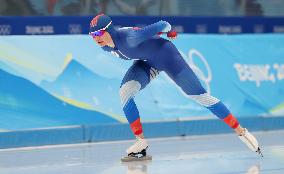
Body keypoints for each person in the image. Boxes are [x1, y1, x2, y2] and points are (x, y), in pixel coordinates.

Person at [89, 14, 262, 162]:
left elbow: (162, 24)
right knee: (125, 93)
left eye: (98, 33)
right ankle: (140, 143)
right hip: (147, 63)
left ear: (109, 30)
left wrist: (168, 31)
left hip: (167, 56)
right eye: (92, 35)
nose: (96, 38)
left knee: (200, 96)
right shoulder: (105, 47)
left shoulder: (129, 38)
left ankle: (241, 132)